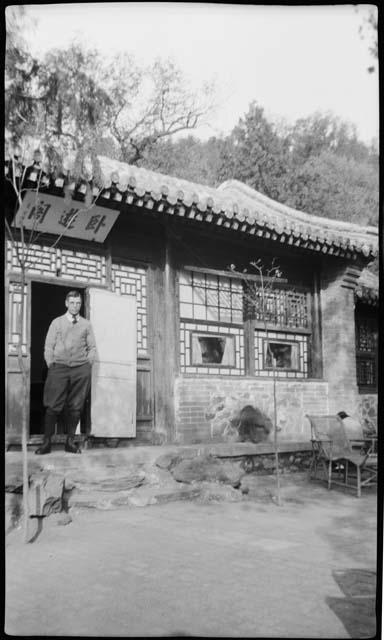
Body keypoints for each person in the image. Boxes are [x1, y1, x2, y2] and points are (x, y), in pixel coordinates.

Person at [35, 290, 96, 455]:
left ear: (80, 305)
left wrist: (87, 365)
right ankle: (46, 443)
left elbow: (92, 348)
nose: (75, 306)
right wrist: (51, 364)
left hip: (80, 369)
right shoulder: (57, 323)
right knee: (52, 406)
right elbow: (48, 346)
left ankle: (70, 442)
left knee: (76, 406)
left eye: (78, 303)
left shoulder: (86, 324)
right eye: (72, 303)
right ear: (66, 303)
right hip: (59, 368)